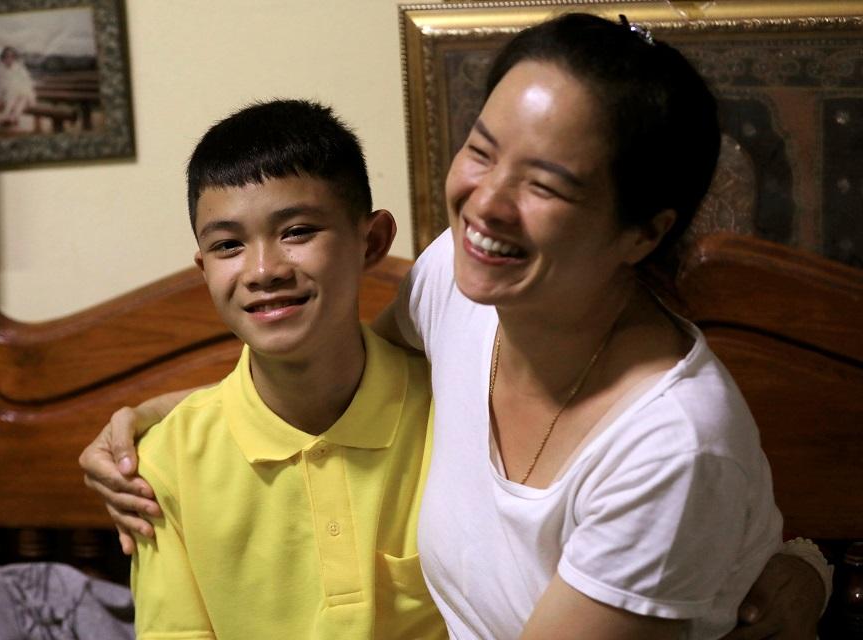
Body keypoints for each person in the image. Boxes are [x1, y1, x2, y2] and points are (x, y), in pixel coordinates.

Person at [81, 14, 830, 639]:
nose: (486, 204)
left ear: (643, 233)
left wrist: (803, 571)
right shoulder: (459, 283)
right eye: (481, 149)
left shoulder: (670, 448)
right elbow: (330, 368)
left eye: (545, 183)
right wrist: (161, 422)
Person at [127, 99, 444, 638]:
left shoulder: (455, 409)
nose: (263, 270)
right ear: (204, 270)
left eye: (297, 231)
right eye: (228, 245)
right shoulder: (167, 461)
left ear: (371, 242)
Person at [0, 46, 36, 128]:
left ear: (14, 57)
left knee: (23, 97)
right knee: (13, 96)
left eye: (11, 56)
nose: (9, 59)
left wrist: (31, 98)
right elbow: (0, 85)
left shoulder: (19, 68)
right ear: (2, 57)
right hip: (8, 94)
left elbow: (27, 81)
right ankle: (11, 117)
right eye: (6, 56)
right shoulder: (0, 69)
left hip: (22, 91)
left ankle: (9, 118)